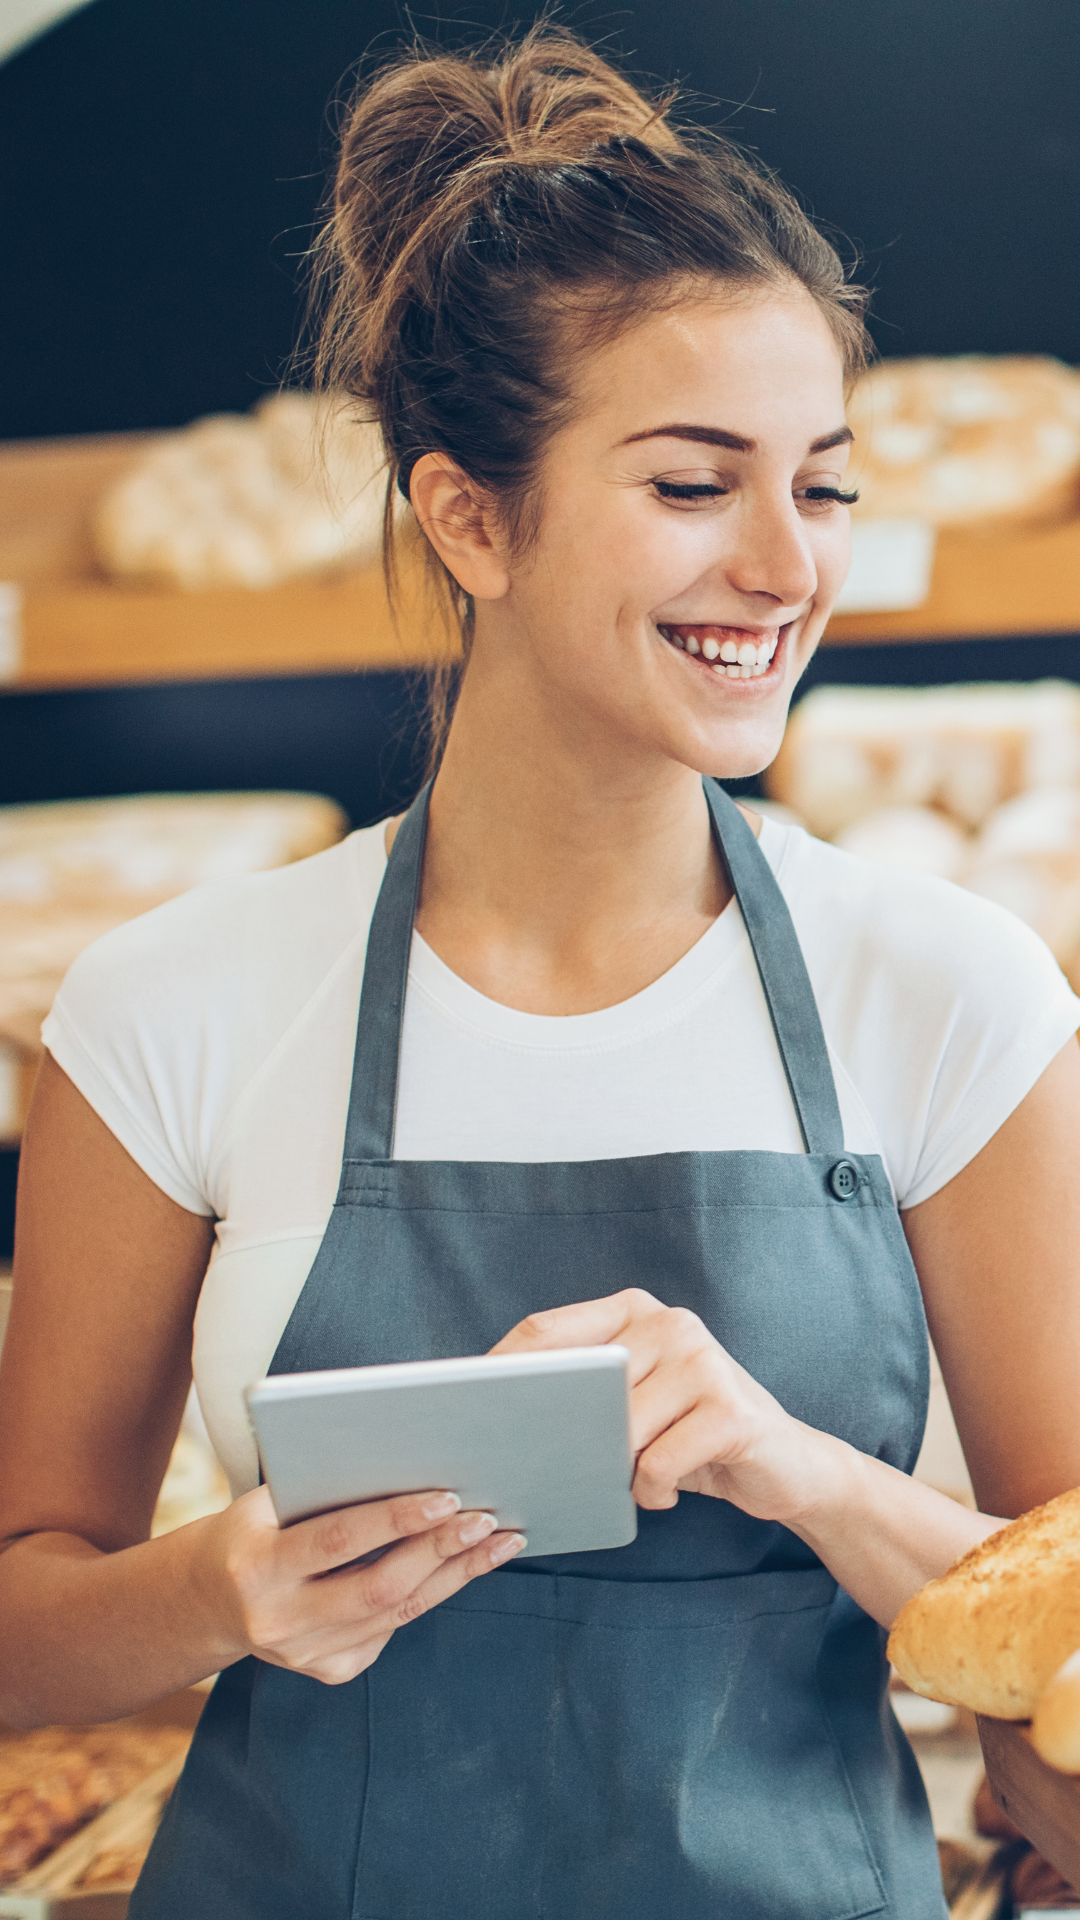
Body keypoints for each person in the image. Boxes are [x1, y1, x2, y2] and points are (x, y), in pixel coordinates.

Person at [2, 27, 1079, 1919]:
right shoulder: (175, 1002)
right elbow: (22, 1622)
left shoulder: (951, 990)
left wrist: (804, 1473)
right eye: (692, 486)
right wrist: (220, 1588)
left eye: (821, 487)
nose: (785, 565)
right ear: (468, 515)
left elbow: (1061, 1653)